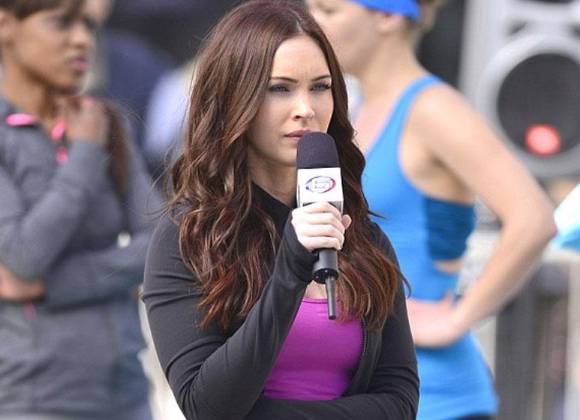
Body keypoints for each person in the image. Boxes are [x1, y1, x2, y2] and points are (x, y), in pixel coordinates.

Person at [142, 1, 419, 419]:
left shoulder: (358, 235)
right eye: (280, 89)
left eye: (320, 87)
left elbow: (399, 402)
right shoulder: (190, 238)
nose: (305, 108)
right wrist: (289, 271)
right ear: (234, 97)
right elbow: (207, 407)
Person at [307, 0, 557, 419]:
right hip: (370, 389)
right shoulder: (356, 109)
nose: (312, 23)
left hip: (435, 395)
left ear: (388, 16)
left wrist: (457, 318)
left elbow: (534, 218)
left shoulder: (433, 108)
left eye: (328, 10)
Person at [0, 1, 162, 419]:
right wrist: (86, 152)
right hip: (35, 401)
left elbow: (163, 244)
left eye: (87, 25)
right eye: (61, 22)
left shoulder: (108, 121)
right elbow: (24, 255)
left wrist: (54, 285)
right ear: (5, 25)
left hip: (128, 392)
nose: (82, 40)